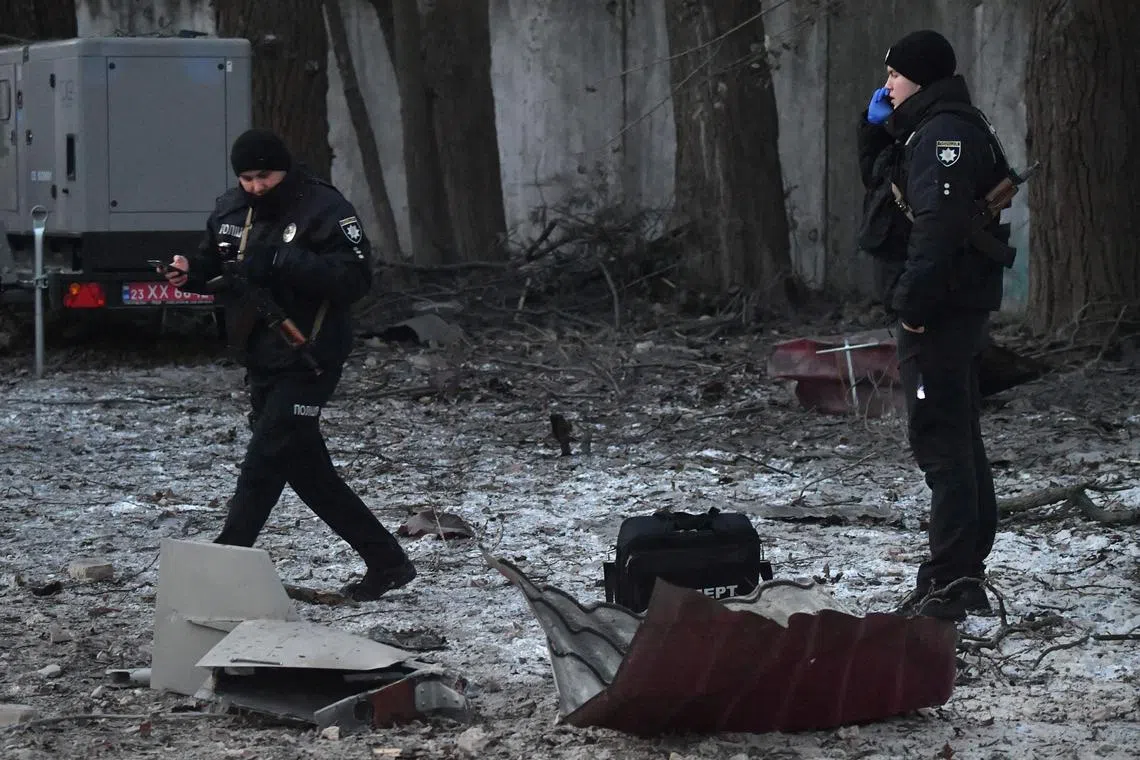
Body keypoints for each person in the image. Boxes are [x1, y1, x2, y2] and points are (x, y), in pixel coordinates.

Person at [163, 128, 415, 602]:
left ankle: (223, 563)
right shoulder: (230, 210)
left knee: (265, 458)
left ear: (285, 170)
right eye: (246, 178)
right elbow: (216, 266)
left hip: (310, 355)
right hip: (259, 355)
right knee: (306, 470)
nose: (256, 186)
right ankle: (387, 561)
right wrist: (189, 274)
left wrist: (283, 260)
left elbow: (354, 280)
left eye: (265, 176)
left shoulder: (324, 208)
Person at [856, 31, 1013, 621]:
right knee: (957, 436)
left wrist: (913, 309)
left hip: (941, 312)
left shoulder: (945, 134)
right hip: (945, 308)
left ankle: (951, 582)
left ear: (920, 77)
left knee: (943, 444)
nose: (887, 84)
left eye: (895, 74)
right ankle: (962, 574)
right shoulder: (925, 128)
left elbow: (938, 230)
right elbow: (883, 185)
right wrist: (875, 129)